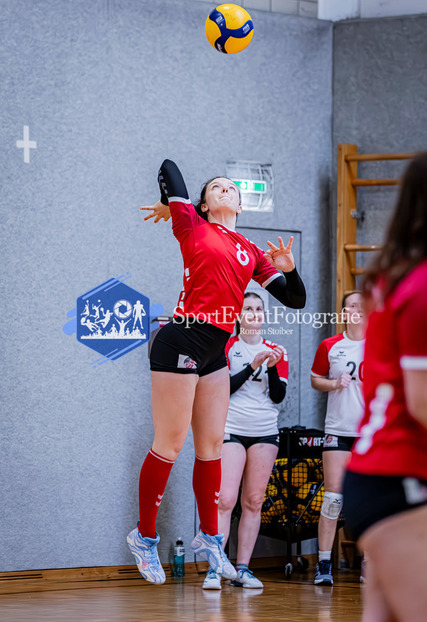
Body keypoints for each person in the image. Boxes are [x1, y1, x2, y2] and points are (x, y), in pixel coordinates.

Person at [127, 159, 306, 585]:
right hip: (182, 339)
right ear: (204, 204)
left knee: (210, 448)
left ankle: (210, 538)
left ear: (240, 206)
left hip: (215, 349)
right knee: (170, 444)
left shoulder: (251, 251)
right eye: (217, 187)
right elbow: (169, 168)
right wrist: (176, 205)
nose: (226, 189)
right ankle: (144, 537)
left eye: (231, 188)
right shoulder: (192, 224)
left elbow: (295, 300)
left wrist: (288, 267)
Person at [342, 152, 427, 622]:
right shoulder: (419, 286)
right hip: (398, 479)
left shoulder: (398, 278)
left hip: (384, 476)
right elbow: (422, 402)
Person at [202, 291, 288, 590]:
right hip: (231, 428)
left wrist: (272, 365)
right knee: (225, 499)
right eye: (248, 308)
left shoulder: (276, 350)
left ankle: (243, 569)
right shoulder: (227, 346)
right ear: (239, 315)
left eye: (259, 309)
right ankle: (215, 569)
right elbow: (223, 388)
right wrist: (252, 366)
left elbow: (278, 396)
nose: (254, 313)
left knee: (253, 501)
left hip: (265, 430)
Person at [311, 290, 365, 585]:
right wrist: (334, 384)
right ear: (344, 313)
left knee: (369, 499)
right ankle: (323, 564)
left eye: (362, 305)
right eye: (351, 306)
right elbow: (315, 379)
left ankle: (369, 564)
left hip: (370, 433)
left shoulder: (381, 345)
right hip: (338, 430)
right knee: (333, 498)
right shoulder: (330, 345)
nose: (357, 309)